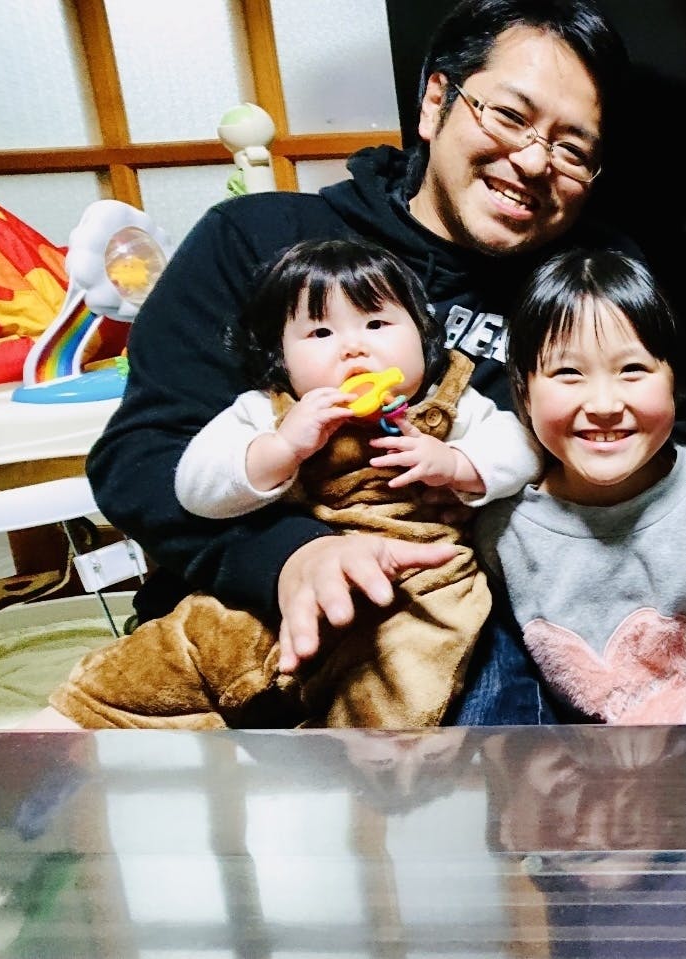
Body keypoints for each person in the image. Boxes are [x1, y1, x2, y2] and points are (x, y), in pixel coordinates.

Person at [85, 0, 640, 724]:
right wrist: (289, 555)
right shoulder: (265, 242)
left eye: (572, 149)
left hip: (481, 624)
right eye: (509, 116)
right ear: (435, 101)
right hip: (253, 625)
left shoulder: (592, 282)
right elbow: (142, 456)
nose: (534, 161)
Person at [44, 238, 540, 728]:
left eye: (377, 324)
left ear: (424, 334)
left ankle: (355, 765)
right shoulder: (268, 410)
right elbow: (194, 487)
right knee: (173, 652)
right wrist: (281, 449)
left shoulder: (450, 402)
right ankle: (70, 726)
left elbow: (523, 447)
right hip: (277, 594)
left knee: (407, 683)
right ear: (280, 355)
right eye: (320, 333)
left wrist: (457, 463)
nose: (354, 347)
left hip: (416, 587)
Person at [475, 247, 686, 724]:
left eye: (633, 370)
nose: (604, 404)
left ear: (673, 379)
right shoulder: (497, 532)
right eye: (568, 373)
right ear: (524, 391)